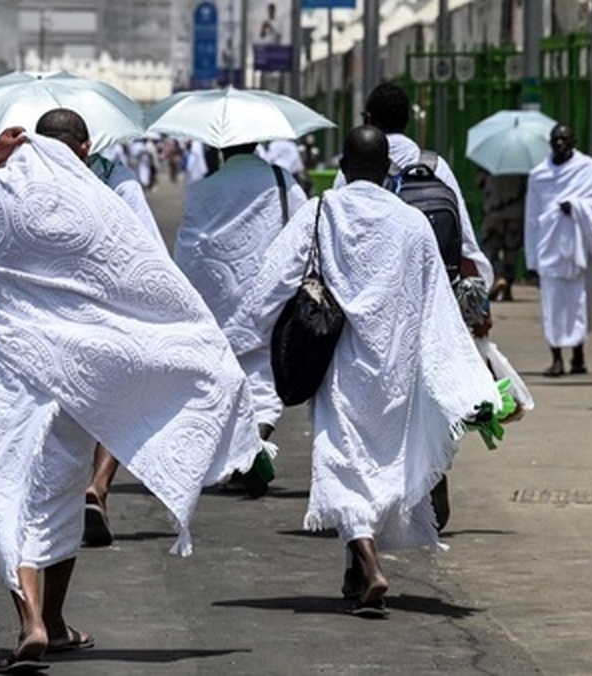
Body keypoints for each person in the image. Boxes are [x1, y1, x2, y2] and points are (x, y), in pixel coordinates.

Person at [0, 121, 261, 671]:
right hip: (77, 374)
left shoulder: (2, 193)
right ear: (85, 150)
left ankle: (31, 620)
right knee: (59, 498)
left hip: (13, 367)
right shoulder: (100, 206)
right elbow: (150, 278)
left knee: (8, 489)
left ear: (29, 144)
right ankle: (52, 621)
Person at [227, 126, 500, 616]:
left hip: (341, 365)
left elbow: (271, 281)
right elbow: (436, 305)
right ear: (386, 171)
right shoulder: (413, 223)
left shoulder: (320, 212)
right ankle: (355, 573)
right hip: (396, 371)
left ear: (343, 167)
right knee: (380, 468)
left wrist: (237, 339)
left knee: (342, 463)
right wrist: (466, 379)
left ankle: (370, 566)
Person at [33, 108, 167, 549]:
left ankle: (50, 504)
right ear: (86, 145)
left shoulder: (25, 176)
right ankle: (99, 486)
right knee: (117, 402)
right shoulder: (116, 177)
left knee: (55, 409)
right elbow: (148, 246)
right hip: (108, 309)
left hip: (49, 313)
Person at [175, 138, 309, 500]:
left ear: (220, 149)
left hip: (218, 297)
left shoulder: (203, 189)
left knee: (227, 377)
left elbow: (188, 246)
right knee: (265, 375)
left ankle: (242, 454)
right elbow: (303, 230)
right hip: (270, 293)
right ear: (257, 144)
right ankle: (258, 442)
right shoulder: (282, 181)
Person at [341, 83, 494, 289]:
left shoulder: (354, 167)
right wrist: (479, 304)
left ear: (368, 118)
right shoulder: (436, 166)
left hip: (367, 287)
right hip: (428, 288)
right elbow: (463, 241)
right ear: (407, 120)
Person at [524, 123, 592, 377]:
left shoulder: (588, 170)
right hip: (550, 250)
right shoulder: (539, 175)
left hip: (578, 251)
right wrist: (531, 257)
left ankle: (578, 354)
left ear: (574, 142)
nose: (559, 144)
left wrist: (577, 208)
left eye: (564, 139)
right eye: (555, 139)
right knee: (552, 307)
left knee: (581, 305)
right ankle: (556, 358)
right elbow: (532, 217)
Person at [478, 171, 528, 301]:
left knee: (490, 247)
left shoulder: (489, 164)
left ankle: (499, 275)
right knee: (511, 250)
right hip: (516, 212)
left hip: (495, 212)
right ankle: (507, 287)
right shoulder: (521, 168)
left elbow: (479, 183)